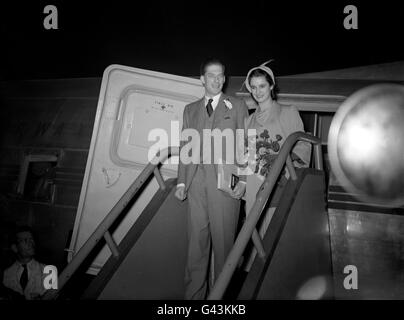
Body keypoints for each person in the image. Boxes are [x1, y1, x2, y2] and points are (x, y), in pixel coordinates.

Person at [175, 58, 249, 299]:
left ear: (224, 79)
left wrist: (244, 180)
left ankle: (221, 300)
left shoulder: (237, 105)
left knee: (225, 246)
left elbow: (245, 143)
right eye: (211, 75)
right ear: (202, 79)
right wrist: (182, 182)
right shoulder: (190, 109)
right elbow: (186, 146)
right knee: (195, 247)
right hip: (196, 182)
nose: (217, 80)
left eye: (221, 76)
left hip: (225, 184)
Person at [243, 61, 311, 269]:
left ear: (271, 86)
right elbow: (245, 156)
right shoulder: (248, 121)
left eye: (262, 86)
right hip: (255, 186)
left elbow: (302, 146)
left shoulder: (288, 112)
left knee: (277, 244)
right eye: (253, 87)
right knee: (257, 243)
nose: (258, 91)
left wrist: (283, 169)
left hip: (280, 184)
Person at [2, 226, 46, 300]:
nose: (31, 243)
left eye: (31, 239)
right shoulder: (6, 273)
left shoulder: (48, 270)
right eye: (25, 240)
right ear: (15, 248)